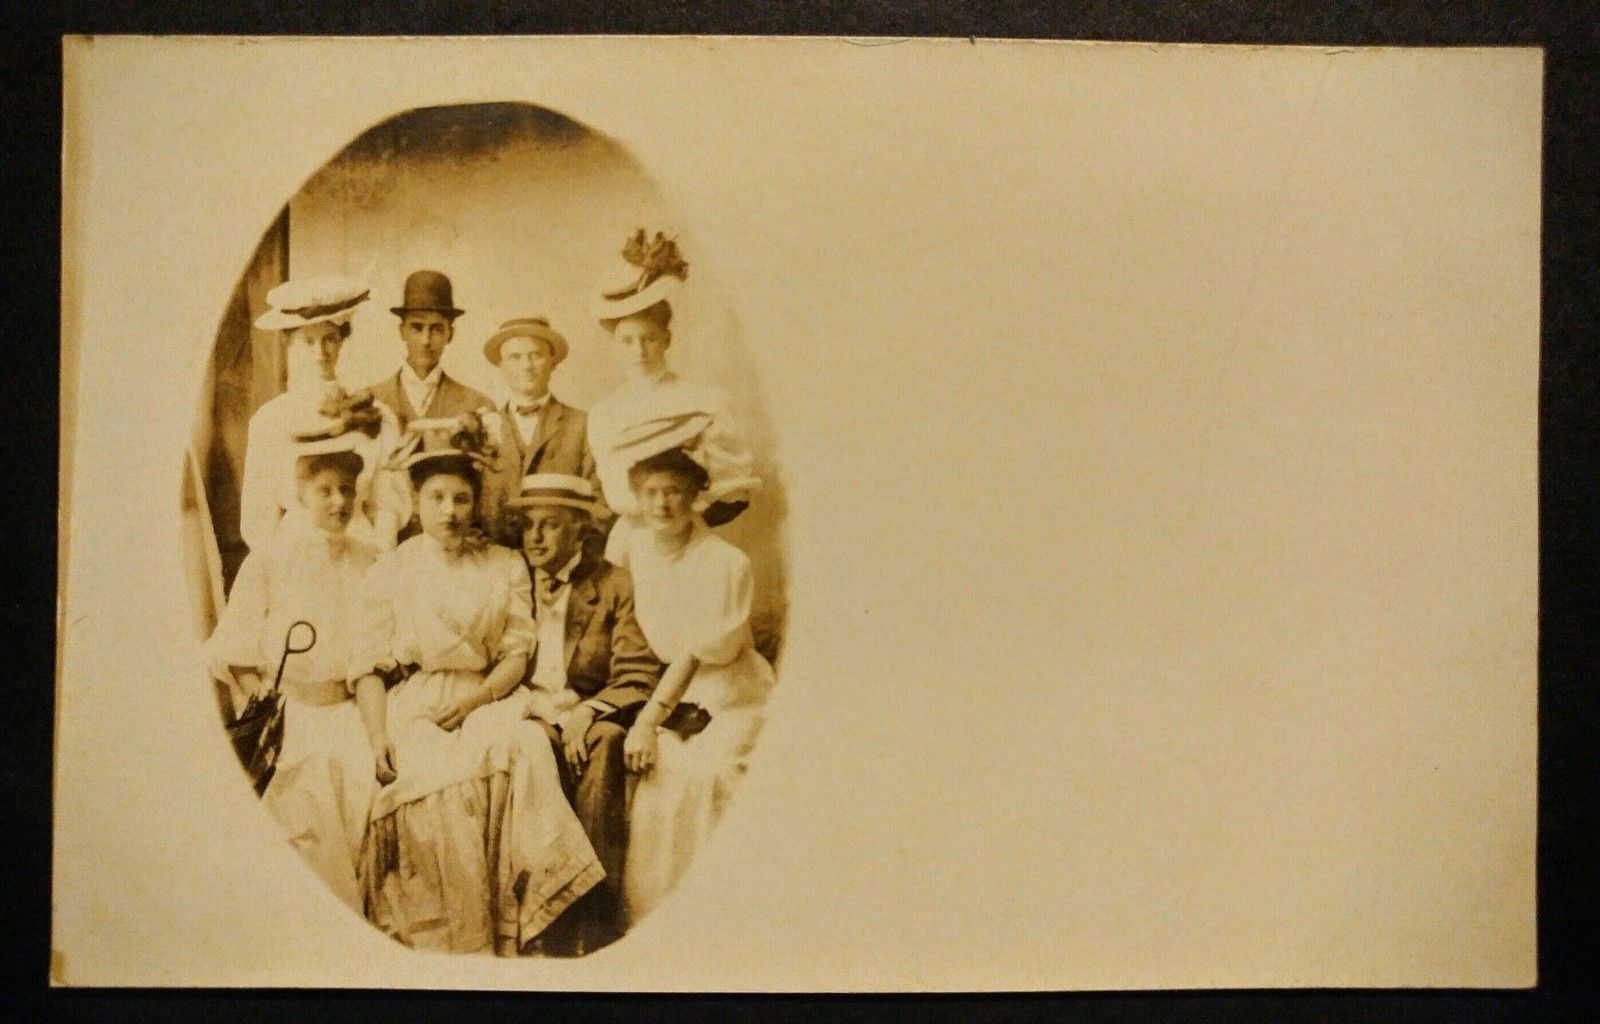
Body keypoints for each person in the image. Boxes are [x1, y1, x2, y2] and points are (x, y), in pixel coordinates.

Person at [351, 422, 602, 955]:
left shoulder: (504, 564)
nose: (450, 511)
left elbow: (516, 654)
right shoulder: (392, 568)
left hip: (488, 693)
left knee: (525, 747)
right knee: (440, 780)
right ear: (416, 501)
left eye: (461, 498)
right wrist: (376, 738)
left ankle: (527, 922)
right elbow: (368, 667)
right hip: (419, 701)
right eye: (437, 497)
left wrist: (477, 699)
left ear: (475, 502)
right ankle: (459, 937)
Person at [206, 424, 384, 914]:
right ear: (301, 494)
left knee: (366, 788)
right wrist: (265, 703)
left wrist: (376, 731)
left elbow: (373, 657)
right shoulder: (270, 559)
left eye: (346, 489)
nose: (338, 502)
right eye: (324, 490)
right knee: (307, 797)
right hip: (291, 717)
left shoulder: (370, 561)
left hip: (350, 713)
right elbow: (236, 650)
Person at [610, 441, 776, 924]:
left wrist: (648, 720)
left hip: (732, 693)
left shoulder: (726, 562)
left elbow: (696, 651)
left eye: (674, 492)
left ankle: (715, 917)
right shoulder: (636, 550)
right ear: (637, 499)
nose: (661, 504)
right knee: (654, 784)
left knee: (705, 777)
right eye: (651, 492)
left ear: (696, 496)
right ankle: (653, 918)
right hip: (672, 691)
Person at [507, 472, 662, 954]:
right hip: (523, 707)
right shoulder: (513, 576)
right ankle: (544, 918)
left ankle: (593, 921)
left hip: (586, 710)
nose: (535, 537)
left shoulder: (613, 583)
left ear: (580, 530)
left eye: (550, 525)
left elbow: (637, 670)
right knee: (531, 746)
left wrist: (588, 712)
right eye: (528, 524)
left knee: (608, 742)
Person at [586, 231, 760, 565]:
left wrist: (682, 520)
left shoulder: (704, 399)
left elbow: (734, 489)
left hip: (693, 539)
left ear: (667, 339)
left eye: (649, 338)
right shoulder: (604, 413)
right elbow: (613, 492)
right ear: (614, 346)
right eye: (627, 341)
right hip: (632, 543)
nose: (639, 351)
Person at [239, 275, 406, 553]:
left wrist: (380, 560)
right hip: (294, 550)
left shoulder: (375, 415)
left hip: (360, 548)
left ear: (342, 341)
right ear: (290, 344)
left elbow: (387, 506)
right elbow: (259, 516)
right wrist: (276, 566)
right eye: (308, 341)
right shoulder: (270, 420)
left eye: (329, 339)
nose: (320, 352)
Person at [477, 317, 603, 546]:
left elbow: (598, 503)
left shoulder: (583, 424)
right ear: (501, 366)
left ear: (553, 362)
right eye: (515, 357)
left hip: (560, 557)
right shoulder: (482, 427)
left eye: (535, 355)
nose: (526, 365)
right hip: (493, 556)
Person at [367, 270, 492, 428]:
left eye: (436, 329)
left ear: (450, 334)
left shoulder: (477, 405)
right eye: (417, 328)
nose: (426, 340)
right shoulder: (370, 401)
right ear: (402, 331)